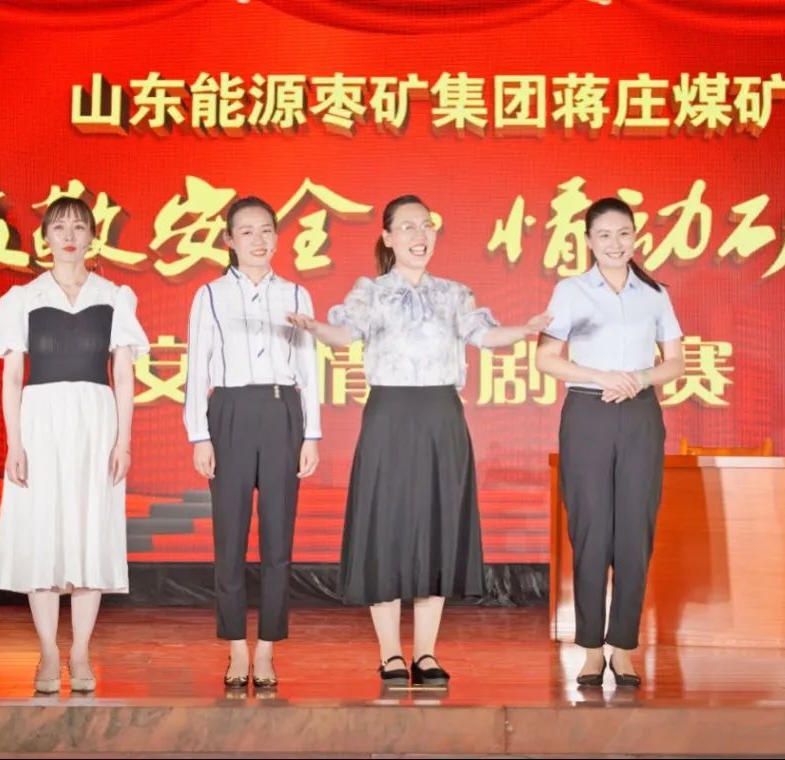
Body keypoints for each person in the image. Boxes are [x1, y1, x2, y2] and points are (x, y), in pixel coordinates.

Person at [288, 194, 550, 686]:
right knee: (385, 528)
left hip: (441, 418)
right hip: (390, 417)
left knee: (438, 528)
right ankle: (390, 653)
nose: (419, 234)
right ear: (388, 237)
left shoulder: (453, 293)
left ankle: (426, 653)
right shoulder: (371, 291)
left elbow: (483, 336)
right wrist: (317, 327)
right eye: (407, 226)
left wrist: (524, 330)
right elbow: (345, 334)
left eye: (426, 225)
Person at [0, 197, 149, 693]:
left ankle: (80, 653)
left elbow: (124, 375)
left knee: (90, 531)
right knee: (42, 531)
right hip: (40, 422)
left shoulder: (115, 297)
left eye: (79, 227)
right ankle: (47, 653)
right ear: (46, 238)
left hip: (96, 422)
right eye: (59, 227)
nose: (70, 236)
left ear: (93, 236)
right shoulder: (22, 298)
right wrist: (15, 444)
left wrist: (124, 440)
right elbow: (12, 377)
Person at [535, 197, 685, 688]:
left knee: (634, 533)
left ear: (635, 237)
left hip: (640, 413)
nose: (615, 244)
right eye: (604, 235)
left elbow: (676, 363)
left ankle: (623, 648)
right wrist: (602, 377)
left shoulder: (654, 294)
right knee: (591, 531)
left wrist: (637, 378)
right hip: (588, 413)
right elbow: (546, 359)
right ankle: (590, 650)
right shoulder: (572, 291)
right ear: (589, 241)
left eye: (623, 234)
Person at [183, 196, 321, 690]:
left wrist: (311, 433)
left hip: (283, 411)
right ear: (229, 240)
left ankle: (266, 650)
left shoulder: (297, 294)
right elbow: (197, 366)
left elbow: (309, 368)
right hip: (230, 412)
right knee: (230, 538)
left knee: (278, 541)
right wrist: (199, 434)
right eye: (246, 232)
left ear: (277, 237)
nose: (258, 240)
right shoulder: (210, 294)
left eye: (266, 230)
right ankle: (236, 648)